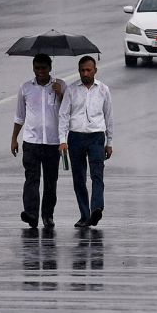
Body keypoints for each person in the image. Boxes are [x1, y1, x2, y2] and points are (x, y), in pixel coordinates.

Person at [57, 55, 113, 228]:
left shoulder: (103, 90)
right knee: (79, 178)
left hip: (96, 137)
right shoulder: (72, 90)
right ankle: (84, 215)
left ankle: (96, 208)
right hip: (76, 138)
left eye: (88, 70)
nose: (85, 73)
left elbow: (108, 116)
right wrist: (62, 140)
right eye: (82, 70)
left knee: (97, 175)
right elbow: (64, 115)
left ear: (95, 70)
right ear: (79, 71)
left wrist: (109, 142)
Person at [11, 53, 65, 230]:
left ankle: (47, 215)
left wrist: (61, 94)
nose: (40, 71)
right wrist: (14, 139)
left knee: (50, 181)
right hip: (31, 142)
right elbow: (20, 116)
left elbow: (67, 112)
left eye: (43, 68)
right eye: (37, 68)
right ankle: (31, 214)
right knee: (31, 179)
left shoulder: (60, 85)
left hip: (52, 143)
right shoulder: (25, 88)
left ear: (50, 68)